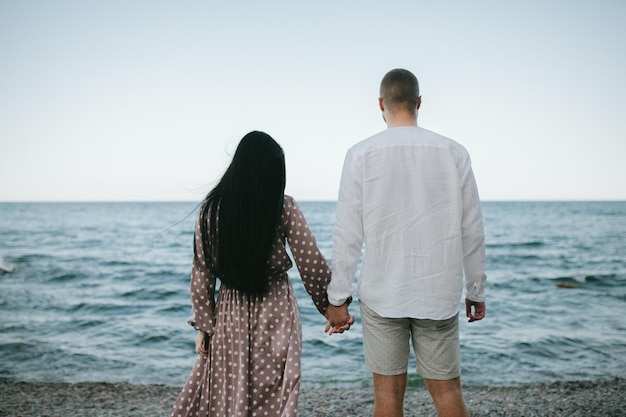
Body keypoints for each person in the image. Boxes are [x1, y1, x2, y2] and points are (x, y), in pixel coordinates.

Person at [325, 69, 487, 417]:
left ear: (381, 104)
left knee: (386, 398)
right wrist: (476, 289)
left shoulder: (360, 154)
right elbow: (471, 229)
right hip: (438, 294)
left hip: (383, 295)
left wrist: (337, 299)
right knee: (447, 393)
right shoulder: (454, 152)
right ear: (418, 102)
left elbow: (348, 234)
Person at [170, 131, 353, 417]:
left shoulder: (210, 211)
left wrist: (203, 325)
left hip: (230, 314)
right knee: (275, 392)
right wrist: (333, 307)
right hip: (275, 310)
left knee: (232, 388)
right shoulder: (284, 206)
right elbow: (310, 264)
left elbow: (202, 272)